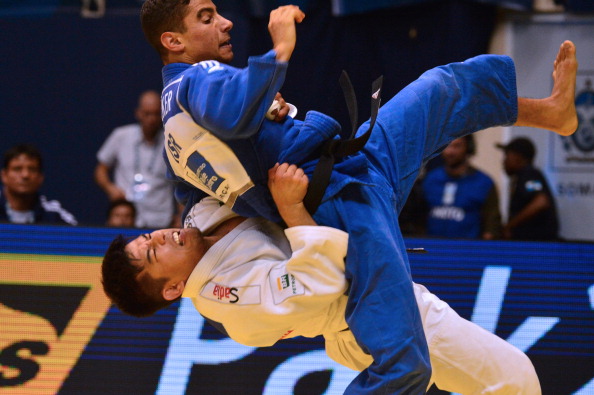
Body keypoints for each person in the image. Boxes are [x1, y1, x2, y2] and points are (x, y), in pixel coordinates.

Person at [140, 1, 577, 392]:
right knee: (402, 365)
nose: (225, 22)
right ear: (173, 40)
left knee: (444, 89)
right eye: (206, 17)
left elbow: (198, 186)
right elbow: (235, 110)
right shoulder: (196, 80)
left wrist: (269, 119)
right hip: (338, 206)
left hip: (354, 164)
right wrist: (279, 51)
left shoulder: (177, 134)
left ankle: (551, 113)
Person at [102, 162, 541, 394]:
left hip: (378, 294)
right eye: (153, 251)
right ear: (173, 288)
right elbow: (322, 279)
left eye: (148, 236)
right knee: (513, 380)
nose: (159, 236)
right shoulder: (231, 305)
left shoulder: (200, 218)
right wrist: (292, 209)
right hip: (369, 319)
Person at [94, 90, 176, 228]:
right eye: (147, 113)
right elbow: (100, 169)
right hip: (126, 219)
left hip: (160, 220)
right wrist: (110, 188)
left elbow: (179, 182)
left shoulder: (171, 141)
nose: (152, 119)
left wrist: (180, 215)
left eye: (156, 114)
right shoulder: (121, 136)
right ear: (138, 113)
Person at [422, 135, 502, 239]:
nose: (450, 152)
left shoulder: (483, 183)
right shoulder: (430, 179)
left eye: (457, 146)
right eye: (447, 146)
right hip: (431, 247)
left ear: (468, 148)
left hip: (468, 249)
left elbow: (492, 225)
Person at [497, 137, 559, 240]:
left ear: (518, 157)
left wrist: (510, 225)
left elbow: (541, 201)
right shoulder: (523, 176)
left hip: (538, 245)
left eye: (507, 155)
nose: (504, 161)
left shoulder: (529, 175)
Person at [0, 144, 77, 225]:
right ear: (4, 176)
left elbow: (78, 235)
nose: (25, 175)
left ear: (40, 177)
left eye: (32, 169)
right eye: (17, 169)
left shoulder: (54, 215)